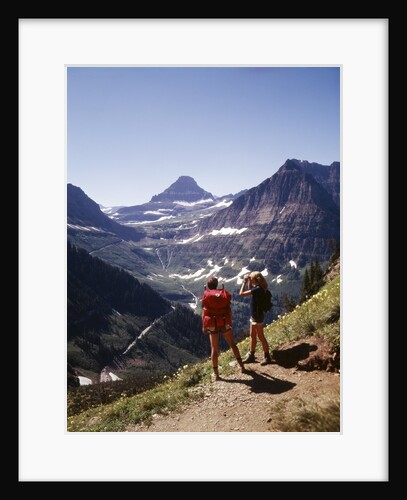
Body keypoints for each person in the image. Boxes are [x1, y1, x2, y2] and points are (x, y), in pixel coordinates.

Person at [202, 277, 246, 381]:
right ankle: (242, 366)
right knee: (232, 344)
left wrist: (204, 326)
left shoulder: (207, 295)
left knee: (214, 349)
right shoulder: (223, 293)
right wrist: (229, 321)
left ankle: (216, 375)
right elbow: (228, 309)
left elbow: (205, 312)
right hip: (224, 321)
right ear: (216, 285)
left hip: (213, 323)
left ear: (208, 286)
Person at [239, 271, 272, 365]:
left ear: (255, 280)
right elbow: (251, 289)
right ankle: (251, 355)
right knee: (252, 335)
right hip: (255, 315)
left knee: (260, 336)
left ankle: (267, 356)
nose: (251, 281)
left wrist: (244, 282)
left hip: (257, 316)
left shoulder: (258, 290)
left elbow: (241, 293)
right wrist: (249, 280)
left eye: (252, 279)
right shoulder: (260, 288)